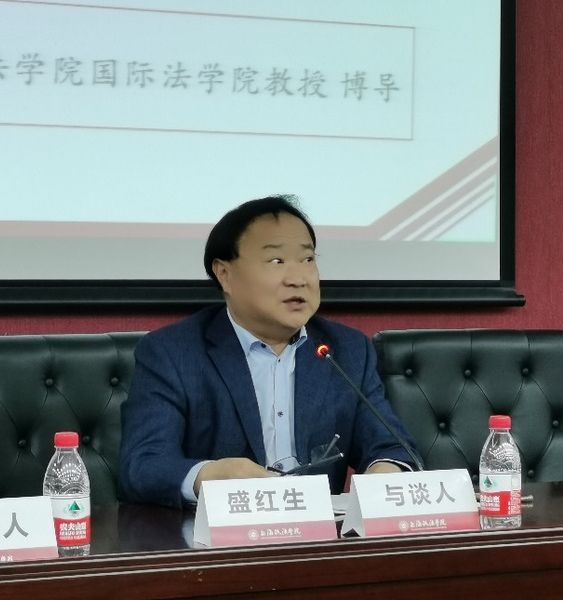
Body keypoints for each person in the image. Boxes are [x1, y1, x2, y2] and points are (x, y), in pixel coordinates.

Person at [118, 195, 421, 508]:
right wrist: (206, 476)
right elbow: (142, 464)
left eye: (307, 260)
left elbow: (392, 447)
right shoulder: (172, 353)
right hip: (216, 534)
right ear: (225, 274)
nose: (298, 279)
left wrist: (386, 472)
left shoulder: (347, 350)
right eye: (277, 261)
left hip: (319, 533)